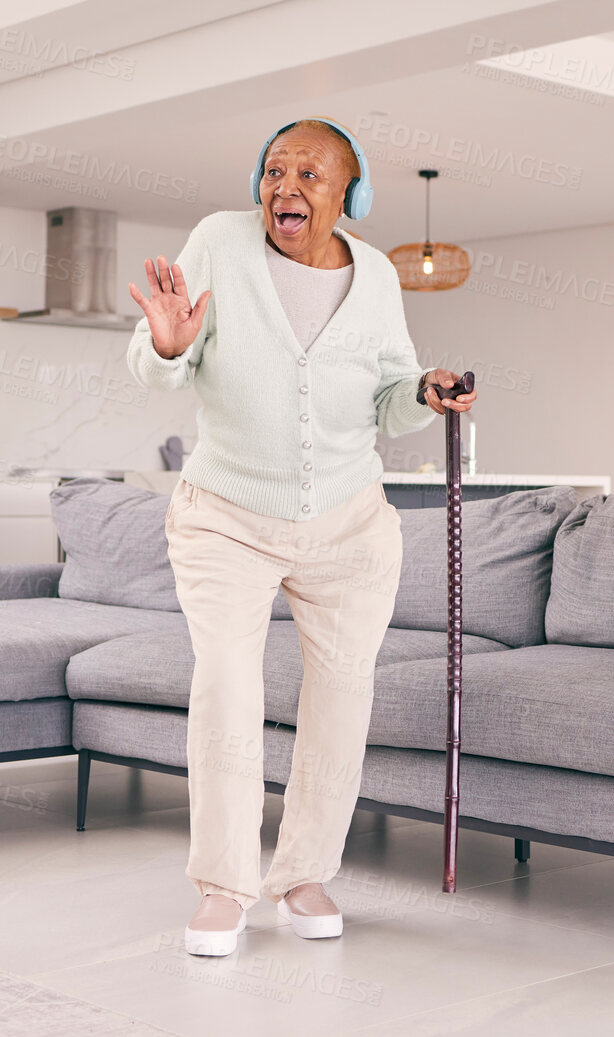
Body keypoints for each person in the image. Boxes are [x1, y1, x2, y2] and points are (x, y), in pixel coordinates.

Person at [124, 117, 476, 957]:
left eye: (310, 175)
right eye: (274, 171)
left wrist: (423, 391)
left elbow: (388, 392)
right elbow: (157, 350)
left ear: (347, 195)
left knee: (343, 696)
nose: (286, 187)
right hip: (227, 516)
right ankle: (222, 884)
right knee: (228, 690)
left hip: (349, 522)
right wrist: (168, 348)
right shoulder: (220, 241)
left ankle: (306, 872)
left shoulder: (379, 275)